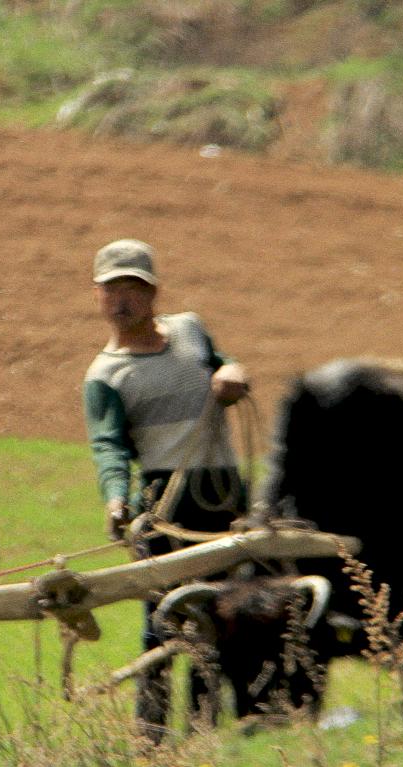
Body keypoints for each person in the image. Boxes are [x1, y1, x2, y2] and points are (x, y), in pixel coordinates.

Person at [81, 238, 250, 741]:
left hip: (223, 495)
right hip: (163, 506)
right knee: (163, 621)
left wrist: (233, 374)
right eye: (113, 289)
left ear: (154, 293)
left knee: (223, 612)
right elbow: (109, 447)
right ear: (98, 296)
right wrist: (115, 497)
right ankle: (151, 738)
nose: (122, 300)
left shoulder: (191, 330)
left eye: (133, 287)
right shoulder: (105, 375)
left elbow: (225, 364)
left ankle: (208, 731)